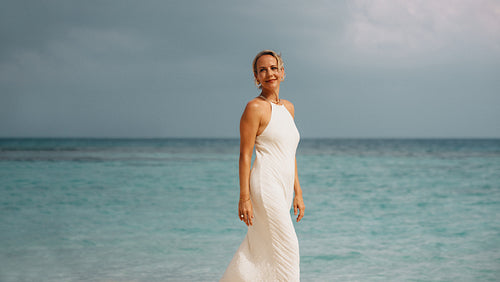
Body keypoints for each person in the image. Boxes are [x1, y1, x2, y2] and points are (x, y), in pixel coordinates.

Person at [221, 50, 305, 282]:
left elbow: (290, 153)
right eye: (262, 70)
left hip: (284, 188)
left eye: (274, 68)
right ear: (256, 77)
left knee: (260, 249)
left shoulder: (288, 108)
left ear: (283, 72)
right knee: (289, 246)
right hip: (265, 186)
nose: (269, 73)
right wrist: (244, 197)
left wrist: (298, 192)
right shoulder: (254, 108)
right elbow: (245, 155)